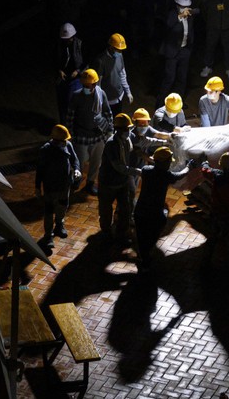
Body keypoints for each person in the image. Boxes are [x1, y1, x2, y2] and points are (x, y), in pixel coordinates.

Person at [133, 147, 195, 271]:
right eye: (168, 162)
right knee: (154, 232)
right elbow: (180, 175)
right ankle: (145, 258)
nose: (169, 164)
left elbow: (153, 167)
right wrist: (189, 166)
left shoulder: (146, 170)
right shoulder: (166, 175)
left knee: (141, 234)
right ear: (162, 162)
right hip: (155, 213)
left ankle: (143, 255)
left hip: (140, 211)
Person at [66, 69, 114, 195]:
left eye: (89, 85)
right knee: (79, 162)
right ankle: (76, 181)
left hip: (98, 136)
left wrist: (110, 130)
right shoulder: (77, 96)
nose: (87, 87)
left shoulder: (101, 94)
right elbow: (70, 116)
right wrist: (70, 135)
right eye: (84, 85)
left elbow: (108, 113)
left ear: (94, 84)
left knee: (96, 162)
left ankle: (90, 183)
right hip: (81, 136)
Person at [35, 124, 81, 248]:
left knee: (63, 205)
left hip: (65, 185)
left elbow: (74, 159)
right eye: (63, 141)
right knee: (49, 211)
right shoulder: (46, 150)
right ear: (56, 140)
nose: (65, 142)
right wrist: (37, 187)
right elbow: (40, 170)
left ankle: (59, 224)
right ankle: (48, 235)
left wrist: (77, 169)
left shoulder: (67, 145)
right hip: (50, 186)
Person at [98, 113, 138, 244]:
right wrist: (136, 171)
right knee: (106, 210)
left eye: (128, 128)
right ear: (118, 129)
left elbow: (141, 142)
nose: (128, 131)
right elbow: (119, 166)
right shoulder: (111, 144)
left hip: (123, 181)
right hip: (108, 183)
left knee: (125, 209)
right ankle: (105, 232)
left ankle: (122, 233)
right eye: (126, 129)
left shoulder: (128, 138)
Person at [157, 0, 196, 106]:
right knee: (169, 78)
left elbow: (191, 32)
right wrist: (180, 17)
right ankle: (160, 104)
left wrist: (189, 48)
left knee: (182, 79)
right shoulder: (172, 15)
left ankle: (178, 103)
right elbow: (168, 25)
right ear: (177, 5)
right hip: (172, 53)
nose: (185, 9)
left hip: (184, 51)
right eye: (183, 7)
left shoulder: (190, 16)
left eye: (187, 6)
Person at [91, 33, 134, 117]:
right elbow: (98, 84)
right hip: (107, 101)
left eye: (121, 50)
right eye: (118, 49)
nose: (120, 52)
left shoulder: (120, 56)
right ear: (111, 47)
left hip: (119, 97)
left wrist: (128, 92)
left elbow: (122, 75)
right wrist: (99, 101)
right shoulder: (101, 61)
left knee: (117, 121)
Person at [56, 22, 86, 125]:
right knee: (62, 102)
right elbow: (55, 60)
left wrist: (77, 71)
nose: (68, 41)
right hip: (63, 77)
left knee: (72, 101)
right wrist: (59, 70)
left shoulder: (80, 44)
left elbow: (86, 61)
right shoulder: (59, 45)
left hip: (76, 78)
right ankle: (64, 126)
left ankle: (73, 125)